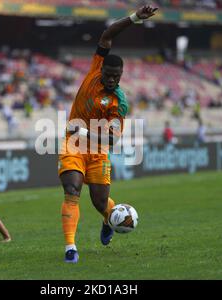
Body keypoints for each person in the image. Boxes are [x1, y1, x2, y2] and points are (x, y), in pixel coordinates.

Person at [57, 5, 158, 263]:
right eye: (109, 75)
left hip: (97, 149)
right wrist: (135, 18)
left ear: (121, 76)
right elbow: (107, 35)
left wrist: (80, 129)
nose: (112, 79)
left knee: (101, 203)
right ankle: (70, 248)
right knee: (72, 190)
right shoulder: (94, 69)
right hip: (73, 145)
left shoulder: (119, 103)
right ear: (100, 69)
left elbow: (111, 139)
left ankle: (109, 219)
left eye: (117, 76)